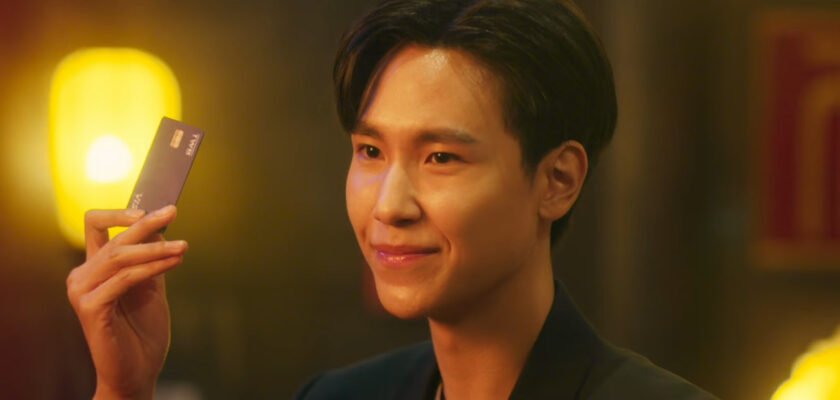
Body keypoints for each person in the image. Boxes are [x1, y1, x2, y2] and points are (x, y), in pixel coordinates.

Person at [66, 0, 718, 399]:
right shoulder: (339, 397)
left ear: (558, 181)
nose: (389, 206)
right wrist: (125, 389)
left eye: (441, 158)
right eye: (371, 152)